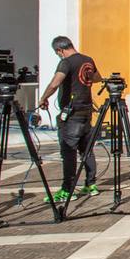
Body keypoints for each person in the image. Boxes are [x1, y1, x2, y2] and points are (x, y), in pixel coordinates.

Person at [37, 36, 100, 201]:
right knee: (87, 150)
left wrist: (43, 98)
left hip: (71, 114)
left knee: (69, 151)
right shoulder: (88, 60)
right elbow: (97, 78)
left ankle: (67, 190)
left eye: (58, 53)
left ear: (60, 50)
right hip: (86, 111)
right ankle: (90, 184)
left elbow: (55, 83)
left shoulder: (66, 62)